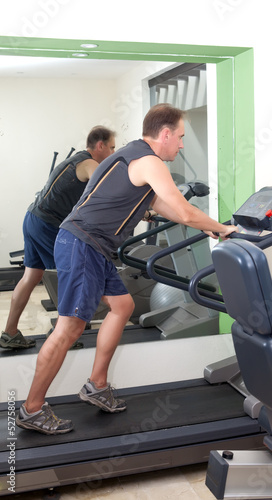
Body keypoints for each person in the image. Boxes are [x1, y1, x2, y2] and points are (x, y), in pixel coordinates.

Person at [16, 103, 238, 435]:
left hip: (90, 244)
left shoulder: (133, 156)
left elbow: (161, 204)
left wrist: (207, 225)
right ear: (164, 134)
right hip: (82, 244)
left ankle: (97, 384)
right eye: (179, 137)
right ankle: (31, 409)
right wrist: (224, 228)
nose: (180, 144)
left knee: (123, 305)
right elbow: (183, 209)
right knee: (69, 329)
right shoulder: (149, 161)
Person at [0, 126, 116, 350]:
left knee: (31, 276)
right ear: (100, 146)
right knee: (69, 275)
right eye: (111, 147)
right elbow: (102, 191)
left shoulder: (75, 160)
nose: (112, 152)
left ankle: (10, 333)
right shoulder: (90, 163)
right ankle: (61, 334)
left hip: (32, 217)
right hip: (48, 224)